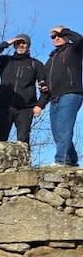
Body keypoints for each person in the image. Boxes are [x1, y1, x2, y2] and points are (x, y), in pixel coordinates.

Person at [40, 25, 83, 166]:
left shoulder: (74, 50)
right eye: (53, 36)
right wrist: (44, 87)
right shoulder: (51, 59)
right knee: (57, 131)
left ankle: (61, 160)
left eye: (59, 35)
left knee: (64, 127)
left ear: (66, 35)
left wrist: (64, 30)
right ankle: (71, 160)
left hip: (70, 94)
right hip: (54, 98)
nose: (56, 38)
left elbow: (80, 40)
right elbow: (45, 79)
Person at [0, 35, 47, 144]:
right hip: (5, 108)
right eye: (18, 43)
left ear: (28, 46)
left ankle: (25, 161)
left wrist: (40, 105)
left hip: (25, 109)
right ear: (14, 45)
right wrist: (9, 42)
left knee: (23, 142)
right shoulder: (5, 61)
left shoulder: (36, 64)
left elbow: (45, 86)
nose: (21, 45)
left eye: (24, 43)